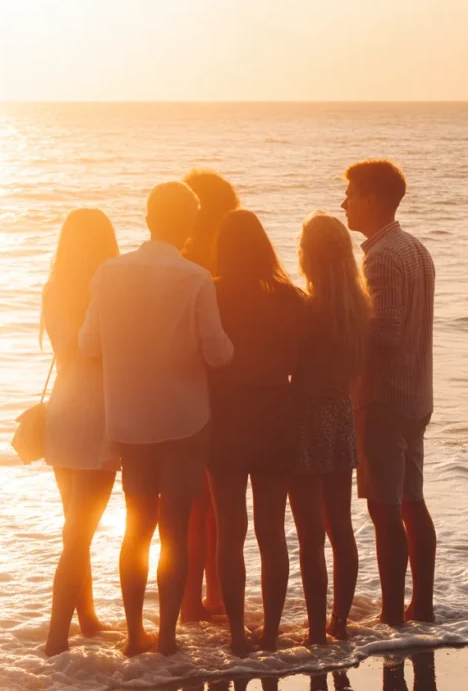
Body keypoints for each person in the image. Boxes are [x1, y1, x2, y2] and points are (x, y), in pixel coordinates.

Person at [79, 182, 233, 656]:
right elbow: (217, 352)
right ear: (189, 225)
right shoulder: (196, 278)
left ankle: (133, 636)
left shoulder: (109, 272)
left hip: (129, 419)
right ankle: (167, 638)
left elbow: (88, 344)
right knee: (175, 529)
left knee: (137, 527)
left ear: (147, 219)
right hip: (185, 420)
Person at [342, 160, 436, 626]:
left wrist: (341, 332)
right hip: (416, 393)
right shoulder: (416, 248)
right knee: (412, 501)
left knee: (385, 509)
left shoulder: (380, 257)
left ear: (372, 199)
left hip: (383, 397)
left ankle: (393, 613)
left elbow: (385, 332)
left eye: (351, 193)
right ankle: (421, 605)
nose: (344, 203)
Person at [208, 209, 305, 655]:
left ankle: (235, 635)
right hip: (276, 415)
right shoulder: (291, 298)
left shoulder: (212, 294)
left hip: (227, 417)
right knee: (271, 530)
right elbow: (299, 362)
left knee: (229, 531)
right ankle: (269, 632)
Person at [289, 212, 370, 645]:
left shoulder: (307, 309)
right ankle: (339, 621)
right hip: (340, 415)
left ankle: (316, 629)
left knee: (310, 535)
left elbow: (289, 365)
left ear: (309, 256)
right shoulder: (359, 309)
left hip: (305, 417)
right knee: (341, 527)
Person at [42, 208, 120, 658]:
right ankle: (56, 637)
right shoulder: (106, 289)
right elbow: (101, 352)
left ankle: (87, 618)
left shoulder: (54, 289)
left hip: (62, 408)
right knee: (79, 532)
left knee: (74, 525)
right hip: (96, 413)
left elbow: (66, 349)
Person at [180, 169, 240, 623]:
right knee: (219, 504)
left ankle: (188, 602)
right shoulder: (231, 263)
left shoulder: (184, 263)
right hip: (227, 392)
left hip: (184, 391)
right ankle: (216, 595)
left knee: (190, 505)